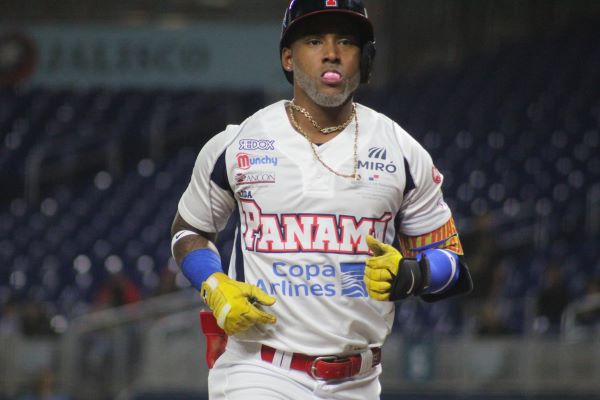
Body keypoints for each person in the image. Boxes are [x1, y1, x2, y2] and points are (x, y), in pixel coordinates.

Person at [171, 1, 472, 398]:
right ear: (288, 57)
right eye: (314, 40)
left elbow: (453, 264)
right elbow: (188, 230)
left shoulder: (402, 151)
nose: (331, 52)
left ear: (364, 59)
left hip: (358, 380)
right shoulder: (238, 142)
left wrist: (413, 275)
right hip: (258, 369)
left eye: (346, 41)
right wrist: (213, 283)